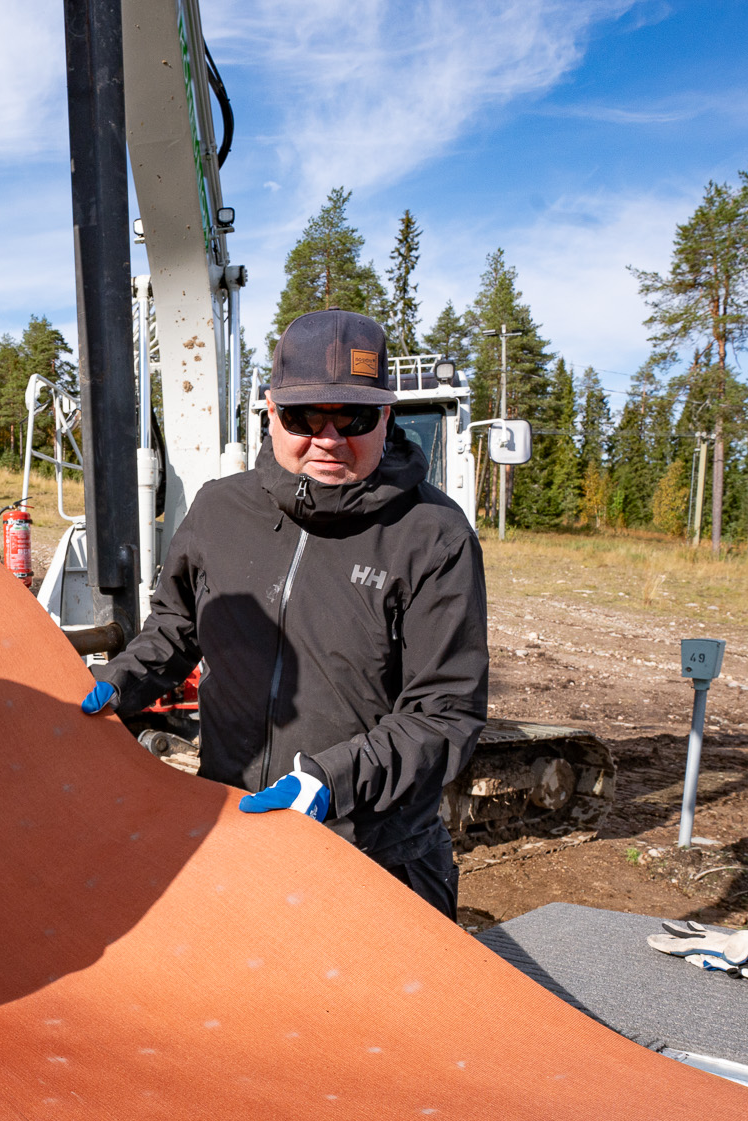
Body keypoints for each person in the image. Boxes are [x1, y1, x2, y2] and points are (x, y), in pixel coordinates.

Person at [80, 309, 487, 918]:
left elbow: (445, 712)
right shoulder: (220, 512)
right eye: (302, 417)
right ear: (271, 411)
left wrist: (330, 780)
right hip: (234, 833)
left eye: (352, 416)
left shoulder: (434, 537)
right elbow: (176, 627)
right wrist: (120, 681)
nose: (328, 438)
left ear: (387, 415)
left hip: (373, 855)